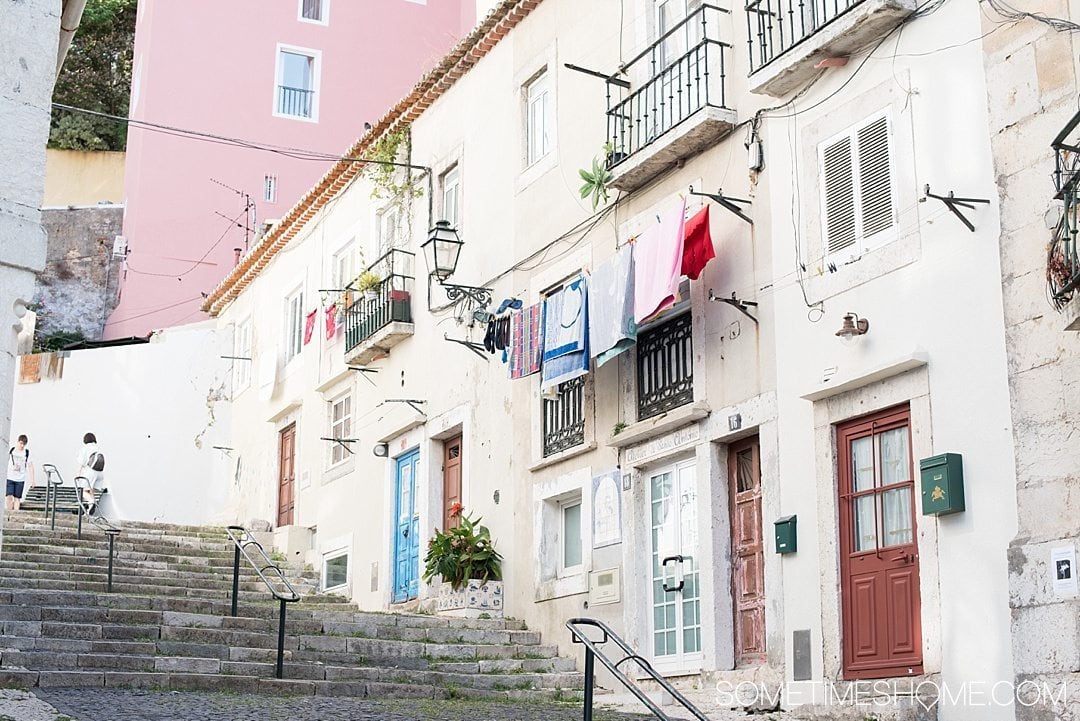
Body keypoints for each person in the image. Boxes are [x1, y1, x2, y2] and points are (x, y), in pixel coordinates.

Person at [75, 432, 103, 512]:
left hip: (91, 472)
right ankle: (90, 510)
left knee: (83, 491)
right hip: (100, 473)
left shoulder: (86, 448)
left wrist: (78, 475)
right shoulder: (97, 448)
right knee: (90, 492)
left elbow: (81, 463)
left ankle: (91, 503)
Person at [6, 434, 34, 511]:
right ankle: (8, 513)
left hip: (20, 479)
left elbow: (30, 466)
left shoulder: (26, 453)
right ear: (18, 442)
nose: (22, 445)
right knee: (9, 496)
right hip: (10, 477)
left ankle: (15, 514)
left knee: (17, 498)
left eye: (24, 444)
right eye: (21, 443)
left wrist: (32, 480)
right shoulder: (11, 451)